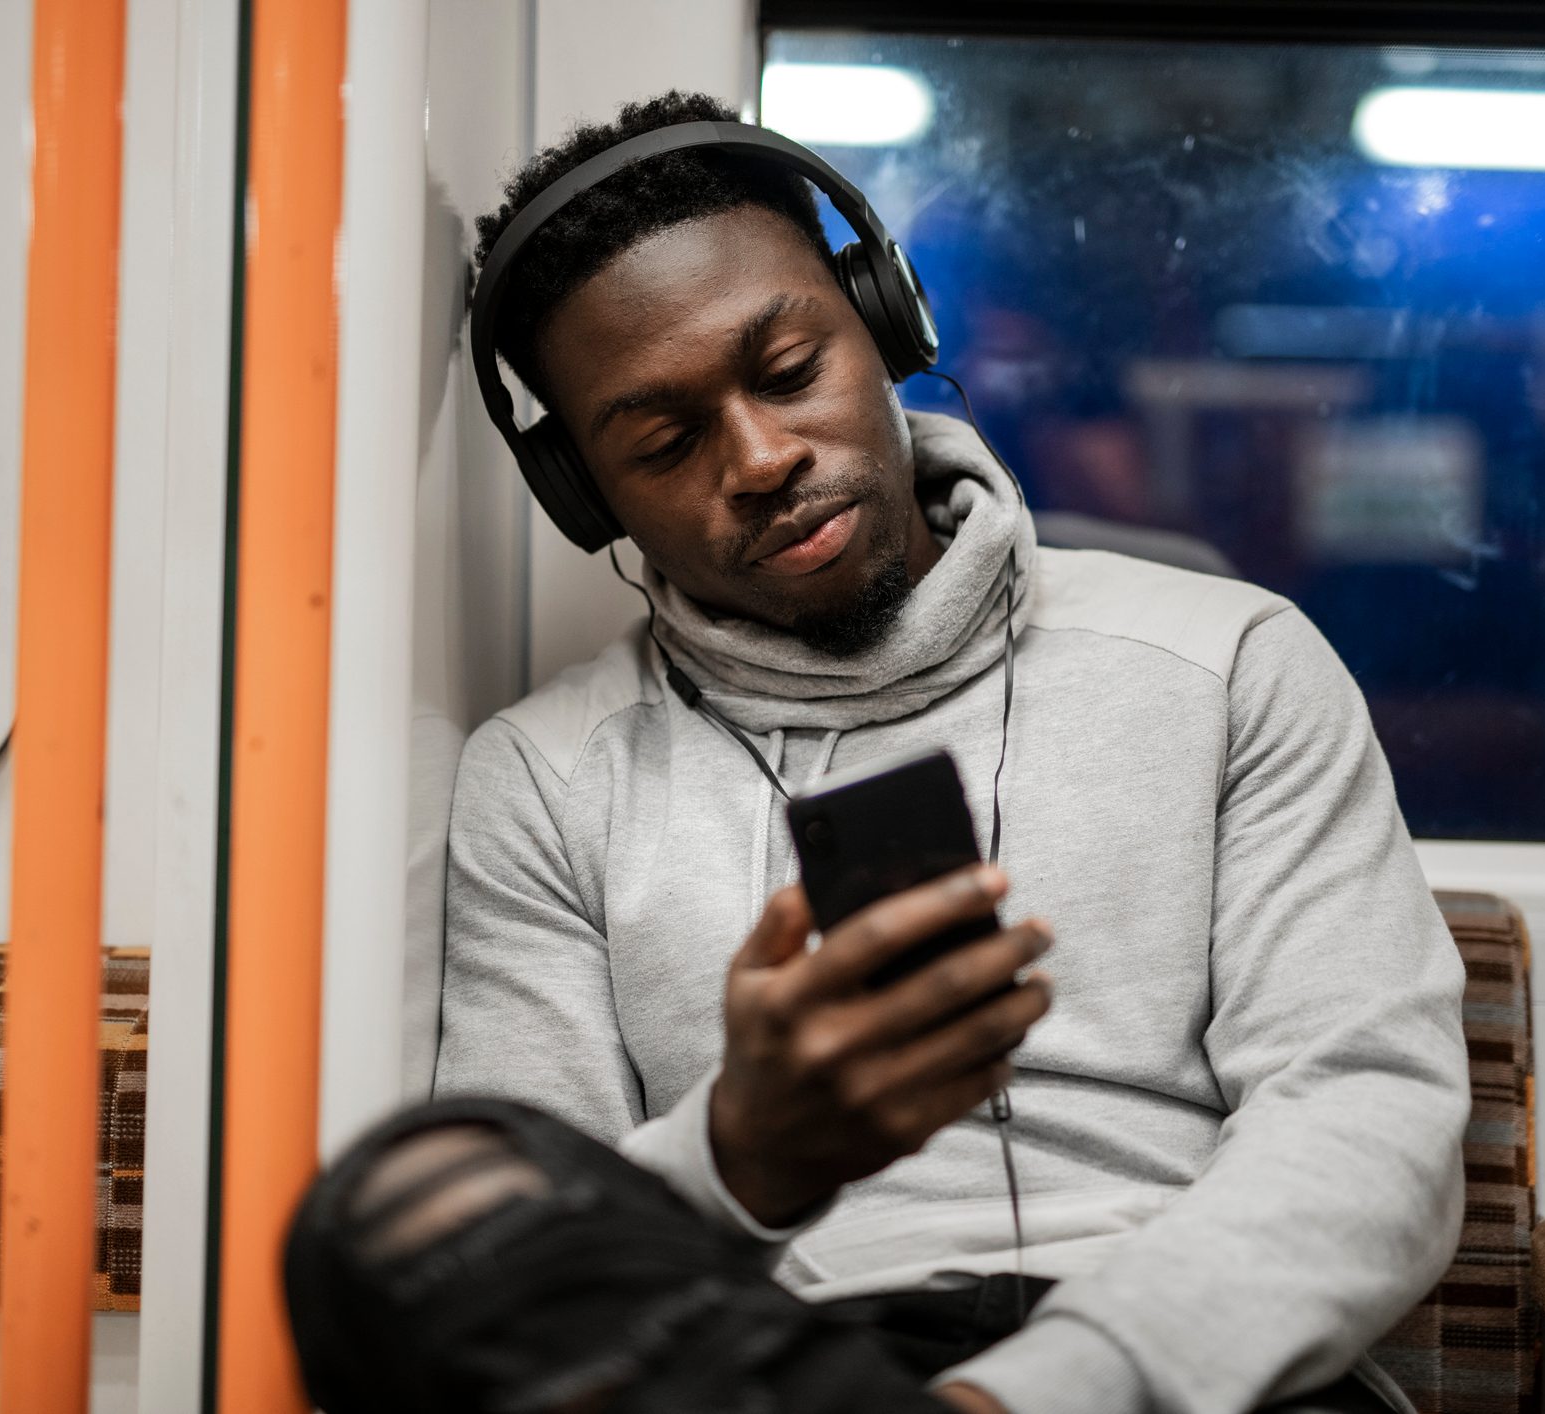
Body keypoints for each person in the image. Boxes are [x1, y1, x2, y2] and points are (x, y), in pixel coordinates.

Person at [354, 89, 1469, 1414]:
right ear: (586, 494)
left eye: (787, 372)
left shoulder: (1228, 659)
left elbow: (1365, 1123)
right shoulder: (545, 778)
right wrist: (740, 1155)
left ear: (884, 326)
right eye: (661, 442)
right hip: (781, 1375)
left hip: (1197, 1369)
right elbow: (527, 1276)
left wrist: (1035, 1392)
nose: (760, 458)